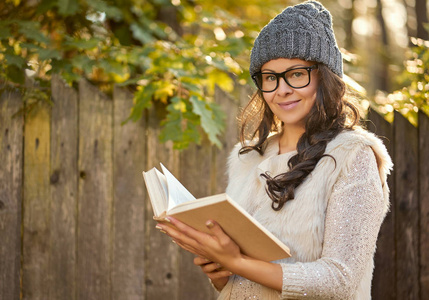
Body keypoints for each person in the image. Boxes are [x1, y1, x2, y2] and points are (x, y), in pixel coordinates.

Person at [156, 1, 393, 299]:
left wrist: (237, 261)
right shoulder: (247, 157)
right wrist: (223, 273)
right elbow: (244, 284)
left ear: (325, 77)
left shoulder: (353, 156)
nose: (281, 90)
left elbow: (339, 279)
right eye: (270, 77)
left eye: (295, 74)